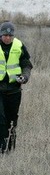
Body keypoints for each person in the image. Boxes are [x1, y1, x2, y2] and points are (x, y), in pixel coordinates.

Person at [0, 21, 33, 153]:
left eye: (10, 35)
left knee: (12, 120)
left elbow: (27, 64)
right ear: (0, 35)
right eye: (5, 35)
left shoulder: (19, 46)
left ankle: (10, 149)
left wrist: (25, 77)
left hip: (14, 89)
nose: (7, 38)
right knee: (0, 119)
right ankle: (2, 148)